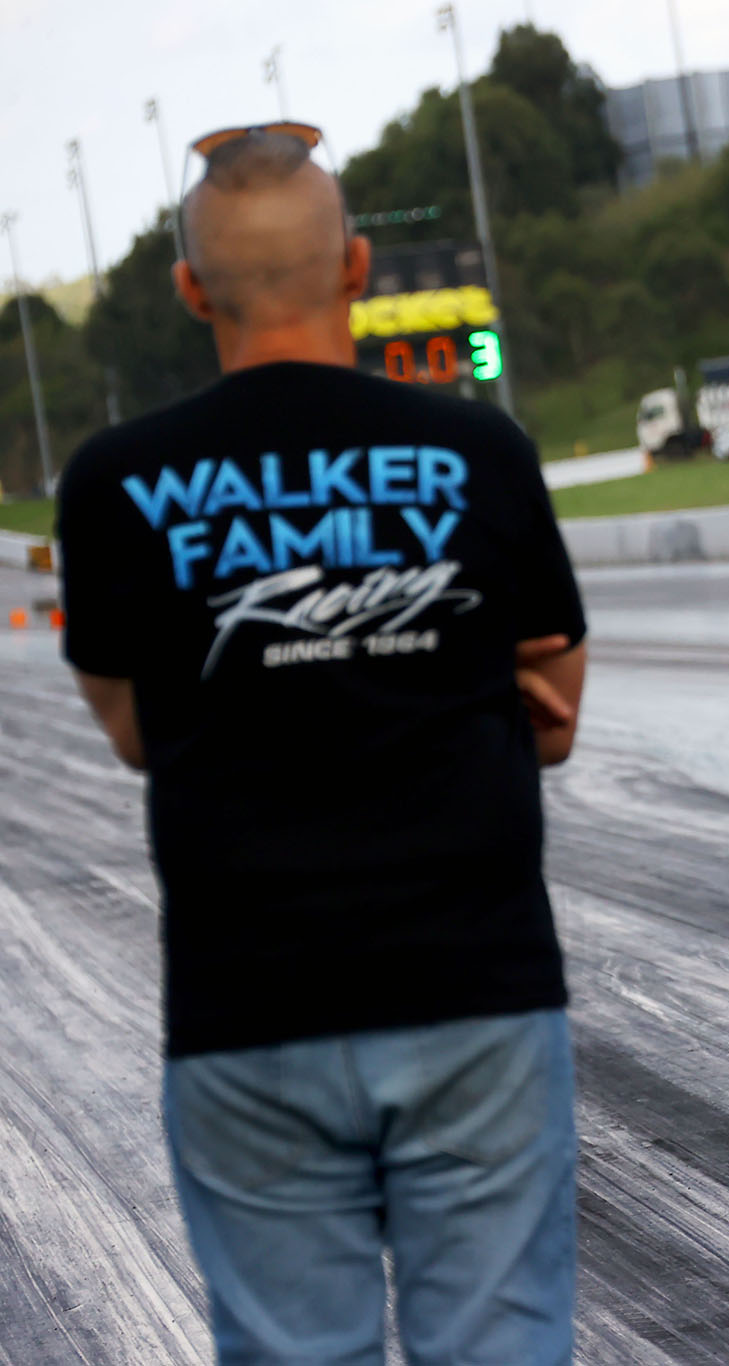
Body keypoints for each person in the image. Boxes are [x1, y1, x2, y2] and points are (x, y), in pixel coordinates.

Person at [56, 126, 587, 1363]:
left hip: (249, 1008)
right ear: (355, 268)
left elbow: (140, 729)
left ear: (192, 291)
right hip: (477, 991)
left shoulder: (114, 481)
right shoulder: (478, 452)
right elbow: (552, 714)